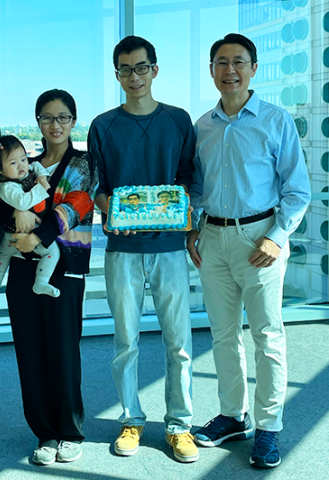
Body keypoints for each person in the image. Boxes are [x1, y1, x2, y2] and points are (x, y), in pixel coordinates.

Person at [187, 33, 311, 469]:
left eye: (239, 62)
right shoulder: (202, 125)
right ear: (212, 70)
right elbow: (198, 187)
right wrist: (192, 228)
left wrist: (276, 237)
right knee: (222, 334)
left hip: (261, 238)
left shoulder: (276, 120)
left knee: (267, 336)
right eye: (221, 62)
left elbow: (298, 191)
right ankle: (231, 415)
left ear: (254, 69)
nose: (230, 70)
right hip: (213, 240)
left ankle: (269, 427)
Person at [88, 35, 198, 463]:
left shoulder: (178, 120)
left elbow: (189, 175)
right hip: (123, 248)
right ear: (117, 75)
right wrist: (111, 213)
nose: (133, 77)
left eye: (140, 67)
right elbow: (98, 186)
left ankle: (179, 425)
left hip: (170, 247)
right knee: (125, 341)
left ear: (155, 69)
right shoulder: (103, 125)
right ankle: (131, 419)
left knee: (180, 343)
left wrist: (180, 209)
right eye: (124, 70)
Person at [0, 89, 98, 466]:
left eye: (63, 117)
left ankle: (69, 431)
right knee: (30, 349)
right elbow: (1, 204)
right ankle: (44, 431)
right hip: (24, 269)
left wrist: (34, 235)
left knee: (63, 349)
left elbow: (77, 205)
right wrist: (13, 224)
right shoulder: (25, 166)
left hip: (65, 266)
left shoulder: (83, 164)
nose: (56, 125)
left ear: (73, 121)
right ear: (37, 121)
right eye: (48, 117)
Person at [0, 135, 61, 298]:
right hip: (14, 234)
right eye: (13, 163)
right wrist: (41, 187)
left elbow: (36, 165)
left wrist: (41, 176)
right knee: (51, 252)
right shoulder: (6, 187)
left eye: (23, 158)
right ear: (0, 169)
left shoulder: (29, 169)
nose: (21, 165)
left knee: (3, 255)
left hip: (29, 232)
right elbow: (22, 202)